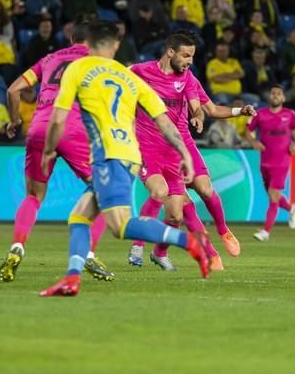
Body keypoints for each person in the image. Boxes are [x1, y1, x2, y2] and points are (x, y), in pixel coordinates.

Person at [39, 21, 211, 297]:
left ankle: (188, 241)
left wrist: (48, 151)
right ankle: (72, 278)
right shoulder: (127, 75)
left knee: (120, 226)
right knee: (79, 218)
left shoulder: (78, 69)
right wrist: (185, 154)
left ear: (86, 45)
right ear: (116, 45)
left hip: (109, 155)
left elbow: (58, 118)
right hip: (130, 154)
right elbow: (165, 122)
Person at [0, 21, 114, 283]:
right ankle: (88, 254)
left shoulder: (50, 58)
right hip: (73, 128)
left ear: (71, 39)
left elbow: (15, 89)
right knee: (105, 191)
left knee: (33, 196)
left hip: (39, 128)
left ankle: (17, 247)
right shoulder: (96, 59)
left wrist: (15, 121)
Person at [127, 33, 256, 267]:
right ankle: (143, 246)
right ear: (170, 52)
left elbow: (205, 109)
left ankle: (220, 233)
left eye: (192, 56)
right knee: (165, 196)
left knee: (194, 199)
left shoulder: (187, 78)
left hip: (179, 147)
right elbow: (116, 78)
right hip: (147, 146)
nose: (190, 61)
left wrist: (201, 117)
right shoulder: (140, 71)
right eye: (186, 55)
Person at [245, 85, 295, 241]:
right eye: (273, 93)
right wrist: (254, 142)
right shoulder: (260, 114)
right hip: (265, 161)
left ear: (283, 98)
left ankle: (265, 232)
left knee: (273, 195)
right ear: (269, 97)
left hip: (282, 160)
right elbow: (248, 131)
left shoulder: (290, 115)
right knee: (272, 195)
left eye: (279, 94)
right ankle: (291, 208)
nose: (275, 95)